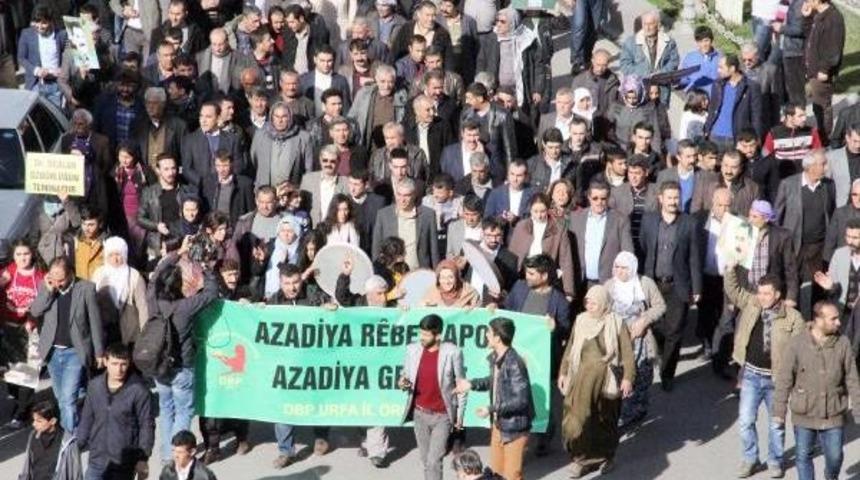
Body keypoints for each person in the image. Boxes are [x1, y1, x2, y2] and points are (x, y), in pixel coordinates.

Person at [723, 261, 805, 479]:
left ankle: (775, 460)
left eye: (766, 293)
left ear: (777, 294)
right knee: (745, 421)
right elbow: (733, 291)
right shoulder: (752, 304)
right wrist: (730, 270)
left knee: (776, 424)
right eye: (759, 292)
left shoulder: (793, 318)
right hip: (750, 374)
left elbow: (802, 352)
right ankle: (750, 458)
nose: (761, 297)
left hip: (776, 380)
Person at [148, 239, 219, 462]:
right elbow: (211, 292)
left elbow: (156, 276)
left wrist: (177, 253)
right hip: (182, 366)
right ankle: (180, 455)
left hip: (159, 365)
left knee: (166, 408)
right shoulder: (185, 307)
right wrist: (205, 269)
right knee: (184, 411)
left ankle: (168, 456)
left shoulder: (153, 299)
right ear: (179, 285)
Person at [774, 300, 860, 480]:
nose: (839, 322)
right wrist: (779, 411)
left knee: (835, 456)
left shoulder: (843, 343)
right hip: (804, 413)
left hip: (833, 413)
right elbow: (784, 379)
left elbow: (852, 379)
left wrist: (858, 410)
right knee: (803, 456)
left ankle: (831, 476)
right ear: (818, 321)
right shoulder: (797, 344)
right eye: (833, 319)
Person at [557, 285, 634, 477]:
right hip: (581, 378)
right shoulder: (581, 320)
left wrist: (627, 378)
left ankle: (606, 457)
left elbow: (627, 354)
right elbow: (571, 348)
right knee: (576, 419)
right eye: (587, 302)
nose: (590, 306)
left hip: (604, 380)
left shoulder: (616, 323)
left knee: (603, 420)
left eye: (594, 303)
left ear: (604, 304)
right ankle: (581, 458)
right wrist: (563, 372)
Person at [638, 181, 701, 392]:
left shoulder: (689, 223)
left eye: (677, 197)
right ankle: (661, 354)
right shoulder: (648, 221)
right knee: (656, 327)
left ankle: (667, 373)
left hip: (678, 285)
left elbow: (694, 257)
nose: (673, 201)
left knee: (675, 330)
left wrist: (696, 288)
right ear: (660, 199)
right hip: (653, 283)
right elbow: (643, 249)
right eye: (670, 197)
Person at [30, 256, 104, 433]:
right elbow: (35, 311)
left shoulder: (86, 288)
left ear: (71, 273)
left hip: (75, 352)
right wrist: (48, 291)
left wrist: (99, 352)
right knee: (61, 397)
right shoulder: (46, 286)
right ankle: (80, 423)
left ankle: (70, 439)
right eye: (54, 279)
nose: (58, 283)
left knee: (67, 399)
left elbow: (95, 322)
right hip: (53, 352)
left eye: (61, 279)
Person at [454, 317, 534, 480]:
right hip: (499, 425)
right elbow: (495, 382)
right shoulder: (496, 358)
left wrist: (492, 408)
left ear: (497, 338)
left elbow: (521, 400)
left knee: (512, 475)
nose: (486, 336)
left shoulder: (514, 363)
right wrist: (471, 384)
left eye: (489, 333)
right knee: (496, 474)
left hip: (514, 429)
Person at [399, 314, 466, 479]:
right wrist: (402, 382)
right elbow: (405, 374)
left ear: (438, 335)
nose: (421, 338)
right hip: (420, 414)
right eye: (420, 333)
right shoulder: (412, 350)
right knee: (425, 459)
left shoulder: (452, 352)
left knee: (434, 460)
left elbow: (461, 385)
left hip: (442, 416)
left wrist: (460, 417)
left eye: (426, 334)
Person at [605, 251, 665, 428]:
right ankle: (622, 412)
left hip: (640, 340)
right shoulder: (609, 286)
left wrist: (644, 320)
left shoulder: (645, 284)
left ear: (632, 268)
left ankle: (637, 410)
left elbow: (660, 306)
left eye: (624, 268)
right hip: (617, 341)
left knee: (640, 376)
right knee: (619, 376)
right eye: (616, 267)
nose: (619, 271)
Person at [78, 343, 153, 480]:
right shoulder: (95, 386)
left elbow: (146, 425)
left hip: (123, 462)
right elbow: (87, 418)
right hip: (97, 458)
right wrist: (77, 445)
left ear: (129, 363)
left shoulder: (138, 390)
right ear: (106, 362)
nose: (119, 369)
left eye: (123, 364)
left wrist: (143, 458)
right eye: (114, 363)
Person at [775, 149, 836, 317]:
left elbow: (832, 212)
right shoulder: (788, 184)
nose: (826, 167)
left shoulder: (828, 185)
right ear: (810, 166)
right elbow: (777, 215)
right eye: (823, 164)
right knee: (792, 285)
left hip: (819, 246)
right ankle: (793, 321)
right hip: (796, 245)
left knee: (819, 287)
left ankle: (817, 323)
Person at [0, 241, 45, 430]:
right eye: (18, 254)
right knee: (12, 374)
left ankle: (22, 412)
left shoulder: (40, 276)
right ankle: (20, 402)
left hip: (30, 329)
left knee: (29, 372)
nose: (22, 258)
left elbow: (43, 303)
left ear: (32, 254)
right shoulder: (7, 273)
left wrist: (32, 321)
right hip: (10, 328)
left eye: (26, 254)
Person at [569, 181, 634, 291]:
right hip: (580, 281)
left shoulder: (620, 220)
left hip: (608, 282)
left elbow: (628, 253)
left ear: (608, 198)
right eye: (595, 198)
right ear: (589, 198)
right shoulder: (576, 218)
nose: (599, 202)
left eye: (603, 198)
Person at [508, 193, 576, 299]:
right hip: (523, 278)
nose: (539, 215)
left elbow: (566, 261)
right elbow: (512, 256)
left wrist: (569, 291)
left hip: (546, 281)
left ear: (548, 210)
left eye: (542, 211)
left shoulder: (559, 229)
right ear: (530, 210)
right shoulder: (521, 226)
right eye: (535, 211)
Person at [91, 237, 149, 347]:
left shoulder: (134, 275)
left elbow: (143, 308)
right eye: (111, 255)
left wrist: (144, 334)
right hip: (105, 329)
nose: (115, 259)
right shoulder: (98, 274)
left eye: (118, 254)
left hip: (129, 330)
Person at [372, 178, 439, 269]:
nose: (402, 199)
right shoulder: (384, 215)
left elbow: (434, 249)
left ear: (414, 195)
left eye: (406, 195)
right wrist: (378, 270)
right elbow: (376, 247)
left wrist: (436, 272)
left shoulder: (427, 215)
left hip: (419, 271)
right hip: (391, 272)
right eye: (399, 195)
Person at [803, 0, 845, 146]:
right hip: (814, 69)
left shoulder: (833, 18)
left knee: (822, 105)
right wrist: (807, 17)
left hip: (821, 72)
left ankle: (825, 139)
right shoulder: (819, 14)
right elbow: (810, 37)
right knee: (817, 105)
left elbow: (834, 49)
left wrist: (825, 69)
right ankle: (821, 132)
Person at [618, 11, 679, 106]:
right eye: (645, 24)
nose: (647, 27)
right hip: (639, 90)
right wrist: (645, 74)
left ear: (658, 25)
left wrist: (662, 73)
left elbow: (674, 61)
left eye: (650, 24)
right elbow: (624, 66)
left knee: (659, 118)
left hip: (661, 92)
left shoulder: (669, 42)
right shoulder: (630, 42)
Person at [703, 54, 763, 151]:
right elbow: (712, 108)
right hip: (715, 136)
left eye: (721, 67)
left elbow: (756, 115)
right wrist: (707, 129)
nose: (718, 70)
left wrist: (756, 138)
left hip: (737, 139)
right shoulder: (717, 84)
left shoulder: (751, 87)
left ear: (732, 68)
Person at [18, 400, 83, 480]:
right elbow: (27, 466)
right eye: (34, 420)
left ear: (53, 421)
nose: (34, 424)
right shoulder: (33, 436)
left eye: (39, 421)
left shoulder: (68, 444)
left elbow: (76, 473)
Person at [678, 26, 722, 92]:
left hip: (713, 96)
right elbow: (684, 79)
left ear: (711, 40)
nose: (703, 44)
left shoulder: (720, 58)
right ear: (696, 42)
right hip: (695, 96)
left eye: (706, 41)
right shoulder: (690, 58)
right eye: (700, 41)